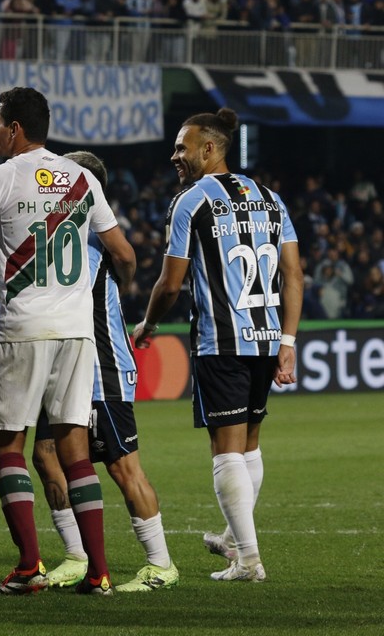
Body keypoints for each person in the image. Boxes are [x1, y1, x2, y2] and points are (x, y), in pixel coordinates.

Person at [0, 87, 135, 596]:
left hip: (24, 326)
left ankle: (30, 564)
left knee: (7, 443)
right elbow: (123, 252)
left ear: (14, 129)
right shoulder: (82, 178)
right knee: (74, 447)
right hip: (76, 331)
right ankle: (98, 572)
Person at [132, 108, 303, 583]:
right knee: (248, 444)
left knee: (225, 448)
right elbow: (293, 274)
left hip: (222, 342)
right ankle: (234, 539)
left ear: (209, 148)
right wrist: (288, 339)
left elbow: (170, 284)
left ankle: (248, 559)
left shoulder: (191, 201)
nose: (175, 156)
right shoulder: (271, 200)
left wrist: (147, 324)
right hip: (267, 338)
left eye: (182, 147)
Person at [31, 150, 179, 593]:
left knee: (121, 467)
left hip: (101, 367)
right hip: (59, 366)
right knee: (45, 455)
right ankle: (78, 557)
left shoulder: (97, 236)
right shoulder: (66, 233)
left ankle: (161, 565)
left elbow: (128, 259)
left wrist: (125, 282)